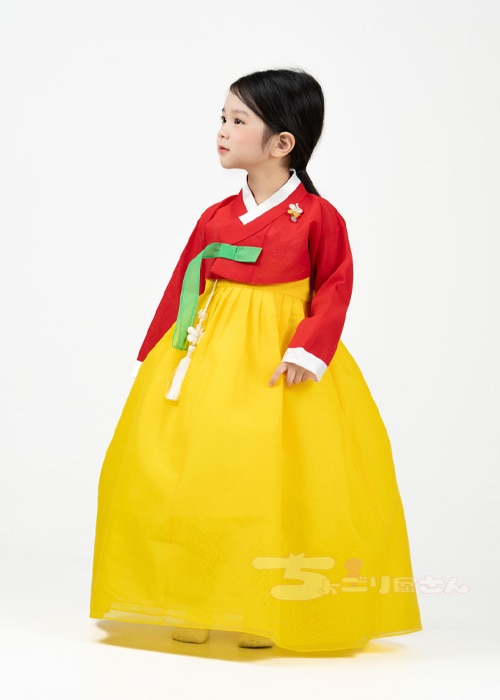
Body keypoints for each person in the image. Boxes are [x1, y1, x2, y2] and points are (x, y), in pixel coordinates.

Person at [90, 68, 422, 652]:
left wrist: (308, 349)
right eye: (222, 117)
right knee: (197, 472)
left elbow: (335, 287)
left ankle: (259, 608)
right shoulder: (215, 216)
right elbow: (185, 281)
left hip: (278, 359)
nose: (222, 129)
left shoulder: (318, 217)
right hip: (209, 354)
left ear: (282, 142)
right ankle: (193, 598)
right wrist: (162, 348)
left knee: (271, 481)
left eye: (238, 120)